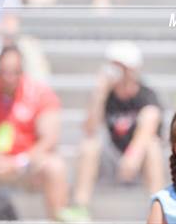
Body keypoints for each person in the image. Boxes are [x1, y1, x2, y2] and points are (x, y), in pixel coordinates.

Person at [60, 41, 165, 222]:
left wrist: (132, 155)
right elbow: (89, 129)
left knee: (152, 147)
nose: (116, 71)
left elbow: (150, 126)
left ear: (132, 69)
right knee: (89, 145)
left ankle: (159, 210)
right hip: (112, 157)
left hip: (139, 158)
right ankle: (80, 207)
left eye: (121, 67)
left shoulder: (146, 94)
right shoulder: (105, 95)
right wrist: (99, 94)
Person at [0, 45, 68, 220]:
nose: (9, 77)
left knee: (55, 167)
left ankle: (58, 220)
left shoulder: (40, 93)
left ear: (22, 71)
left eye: (14, 72)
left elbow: (50, 139)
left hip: (25, 164)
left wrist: (20, 161)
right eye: (4, 72)